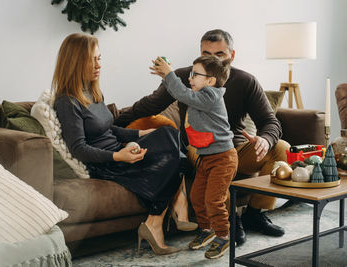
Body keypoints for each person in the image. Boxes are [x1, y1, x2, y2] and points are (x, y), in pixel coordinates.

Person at [114, 29, 290, 246]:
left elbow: (270, 122)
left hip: (235, 148)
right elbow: (150, 105)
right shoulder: (184, 78)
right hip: (198, 147)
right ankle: (229, 219)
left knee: (281, 147)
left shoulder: (245, 81)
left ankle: (254, 213)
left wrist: (265, 139)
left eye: (220, 55)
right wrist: (114, 121)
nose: (212, 60)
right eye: (206, 53)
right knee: (215, 160)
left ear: (232, 55)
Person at [52, 33, 197, 256]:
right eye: (92, 60)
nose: (99, 65)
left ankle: (158, 219)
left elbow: (109, 129)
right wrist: (118, 156)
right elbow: (78, 148)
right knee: (171, 144)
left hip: (120, 151)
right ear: (75, 61)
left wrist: (139, 133)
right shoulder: (67, 100)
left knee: (170, 134)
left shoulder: (92, 90)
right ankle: (168, 211)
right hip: (105, 163)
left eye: (99, 58)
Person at [151, 55, 238, 259]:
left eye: (195, 75)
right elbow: (180, 92)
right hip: (206, 158)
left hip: (224, 158)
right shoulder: (199, 94)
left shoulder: (211, 96)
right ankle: (207, 231)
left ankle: (224, 236)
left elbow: (184, 94)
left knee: (213, 200)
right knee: (197, 197)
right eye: (191, 74)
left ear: (210, 81)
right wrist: (166, 76)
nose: (190, 78)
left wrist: (170, 74)